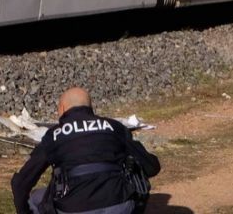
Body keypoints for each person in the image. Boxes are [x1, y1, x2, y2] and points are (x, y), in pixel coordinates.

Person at [11, 87, 160, 214]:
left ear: (62, 108)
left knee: (36, 198)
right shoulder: (115, 127)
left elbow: (20, 183)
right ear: (90, 107)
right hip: (119, 205)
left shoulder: (54, 136)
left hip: (73, 209)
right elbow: (151, 167)